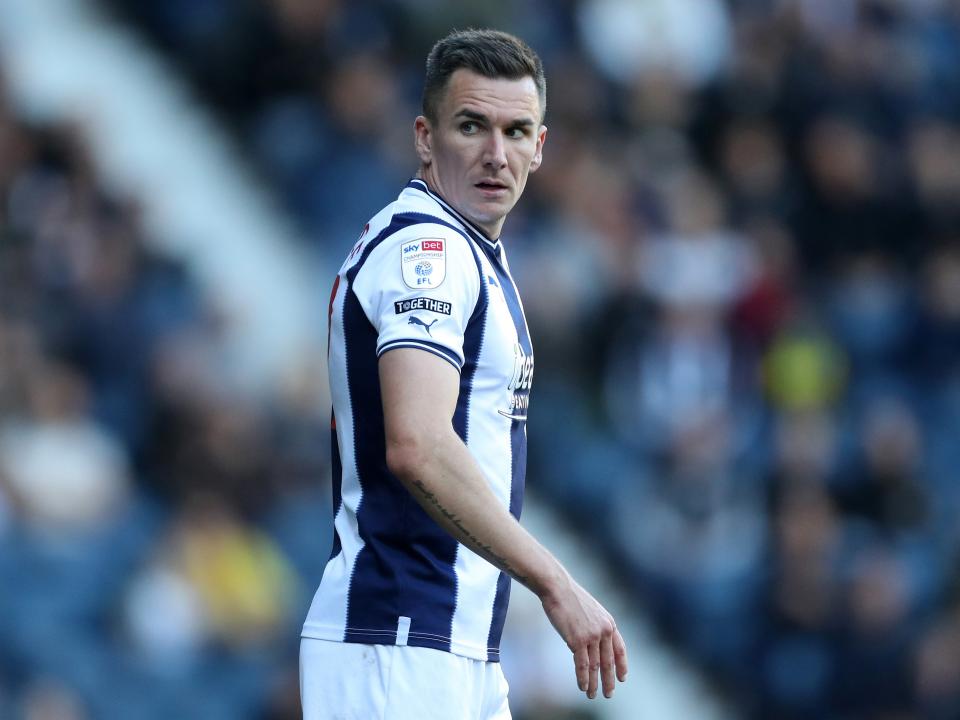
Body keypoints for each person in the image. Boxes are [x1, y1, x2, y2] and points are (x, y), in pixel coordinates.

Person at [300, 28, 628, 719]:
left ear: (541, 148)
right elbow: (417, 445)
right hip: (398, 640)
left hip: (446, 644)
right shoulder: (433, 251)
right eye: (471, 126)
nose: (495, 153)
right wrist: (555, 582)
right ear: (425, 137)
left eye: (515, 131)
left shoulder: (468, 251)